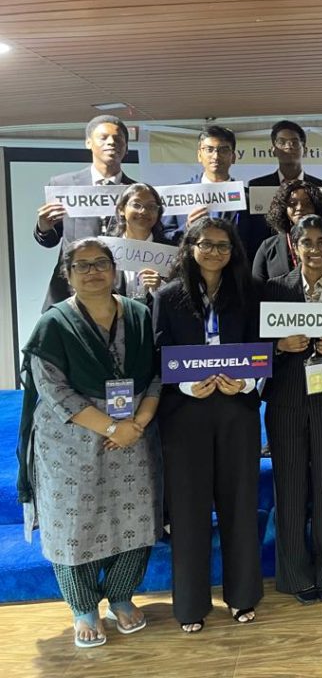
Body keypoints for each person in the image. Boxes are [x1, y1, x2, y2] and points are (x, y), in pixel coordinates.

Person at [18, 239, 161, 648]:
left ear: (114, 270)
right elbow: (53, 390)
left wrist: (139, 422)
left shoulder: (138, 313)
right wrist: (111, 428)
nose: (93, 271)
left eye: (101, 263)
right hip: (73, 440)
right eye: (82, 265)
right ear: (68, 275)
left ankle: (121, 595)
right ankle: (83, 607)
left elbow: (156, 374)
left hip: (134, 432)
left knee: (136, 517)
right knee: (74, 521)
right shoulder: (54, 324)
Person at [153, 217, 263, 632]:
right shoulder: (167, 296)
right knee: (189, 510)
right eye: (206, 244)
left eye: (223, 245)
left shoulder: (248, 293)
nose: (215, 252)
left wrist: (247, 381)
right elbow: (158, 352)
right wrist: (184, 386)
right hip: (186, 413)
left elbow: (261, 347)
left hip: (237, 409)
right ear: (190, 248)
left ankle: (243, 596)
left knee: (240, 505)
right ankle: (191, 605)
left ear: (233, 251)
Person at [261, 215, 322, 603]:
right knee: (289, 489)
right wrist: (278, 347)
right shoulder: (273, 290)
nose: (315, 249)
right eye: (307, 242)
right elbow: (253, 347)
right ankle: (294, 575)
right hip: (286, 401)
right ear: (294, 247)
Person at [34, 115, 135, 310]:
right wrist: (43, 227)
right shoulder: (63, 185)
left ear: (126, 147)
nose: (111, 143)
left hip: (118, 292)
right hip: (70, 291)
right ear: (88, 142)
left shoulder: (136, 192)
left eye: (118, 139)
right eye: (103, 137)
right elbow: (50, 240)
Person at [245, 120, 322, 255]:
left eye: (294, 142)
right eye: (282, 142)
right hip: (269, 255)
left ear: (305, 150)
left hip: (312, 254)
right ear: (273, 149)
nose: (288, 146)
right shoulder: (257, 185)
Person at [164, 125, 253, 252]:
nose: (216, 156)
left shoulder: (248, 197)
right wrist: (187, 227)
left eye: (223, 150)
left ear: (233, 157)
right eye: (209, 149)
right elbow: (164, 238)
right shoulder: (178, 194)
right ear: (199, 155)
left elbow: (258, 241)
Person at [251, 179, 322, 283]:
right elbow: (256, 287)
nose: (300, 208)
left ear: (316, 208)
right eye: (292, 203)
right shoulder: (268, 247)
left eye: (307, 203)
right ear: (283, 209)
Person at [106, 182, 175, 302]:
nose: (143, 211)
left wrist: (161, 288)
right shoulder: (107, 249)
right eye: (136, 205)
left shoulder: (172, 251)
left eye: (151, 206)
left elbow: (183, 295)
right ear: (121, 209)